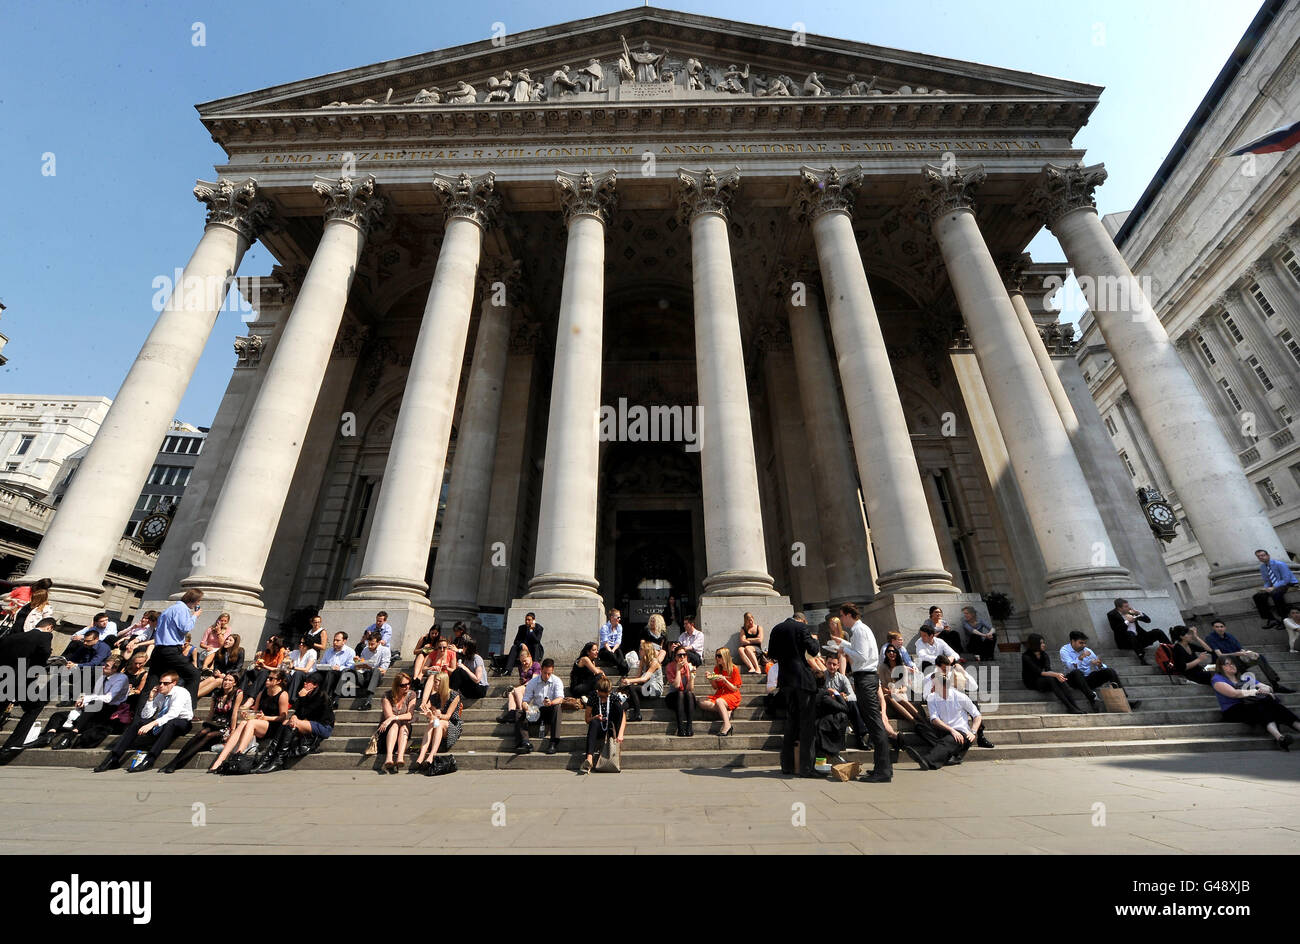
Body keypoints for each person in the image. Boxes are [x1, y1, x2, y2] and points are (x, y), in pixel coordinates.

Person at [94, 671, 194, 773]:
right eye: (160, 683)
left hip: (182, 723)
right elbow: (146, 715)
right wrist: (151, 699)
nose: (161, 685)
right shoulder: (160, 694)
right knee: (139, 722)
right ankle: (113, 758)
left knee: (171, 723)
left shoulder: (181, 693)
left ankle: (150, 760)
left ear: (174, 683)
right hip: (163, 723)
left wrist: (152, 724)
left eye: (165, 683)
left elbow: (173, 714)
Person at [837, 601, 893, 783]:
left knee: (875, 724)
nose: (841, 621)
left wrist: (844, 649)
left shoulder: (859, 631)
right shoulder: (861, 630)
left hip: (866, 678)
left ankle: (883, 771)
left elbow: (860, 656)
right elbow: (862, 652)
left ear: (848, 615)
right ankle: (882, 767)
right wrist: (845, 643)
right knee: (872, 722)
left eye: (842, 616)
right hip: (867, 677)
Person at [903, 656, 982, 770]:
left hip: (961, 733)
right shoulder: (932, 697)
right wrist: (951, 730)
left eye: (935, 685)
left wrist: (973, 732)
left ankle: (927, 760)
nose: (933, 687)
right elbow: (934, 719)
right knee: (921, 727)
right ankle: (951, 755)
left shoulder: (959, 696)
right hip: (945, 729)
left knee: (950, 740)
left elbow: (977, 715)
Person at [209, 668, 289, 773]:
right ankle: (219, 761)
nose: (267, 680)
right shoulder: (262, 693)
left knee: (251, 723)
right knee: (243, 722)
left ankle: (239, 754)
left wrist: (266, 717)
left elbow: (283, 717)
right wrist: (248, 715)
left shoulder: (283, 695)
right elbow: (255, 711)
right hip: (259, 723)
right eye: (267, 678)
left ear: (278, 681)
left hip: (273, 725)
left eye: (271, 679)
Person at [1211, 655, 1300, 749]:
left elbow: (1267, 687)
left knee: (1268, 705)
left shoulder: (1243, 677)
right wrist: (1254, 692)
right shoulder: (1217, 679)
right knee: (1265, 705)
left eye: (1233, 663)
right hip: (1233, 709)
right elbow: (1234, 694)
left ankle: (1280, 737)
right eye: (1227, 664)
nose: (1232, 666)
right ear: (1220, 667)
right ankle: (1280, 736)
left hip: (1253, 705)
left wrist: (1265, 689)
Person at [769, 612, 820, 777]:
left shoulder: (777, 628)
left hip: (786, 680)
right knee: (806, 724)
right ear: (803, 620)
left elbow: (772, 654)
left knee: (791, 723)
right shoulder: (801, 627)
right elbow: (813, 650)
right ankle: (806, 768)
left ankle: (787, 765)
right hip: (803, 680)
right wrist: (814, 639)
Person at [252, 671, 334, 773]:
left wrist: (302, 698)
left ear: (315, 685)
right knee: (286, 722)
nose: (305, 683)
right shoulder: (307, 694)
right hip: (307, 723)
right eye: (305, 681)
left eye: (308, 682)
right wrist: (294, 716)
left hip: (323, 726)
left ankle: (279, 759)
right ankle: (267, 757)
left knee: (292, 724)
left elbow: (305, 713)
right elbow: (298, 712)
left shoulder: (322, 696)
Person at [161, 673, 241, 772]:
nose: (226, 682)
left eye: (230, 680)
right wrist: (207, 724)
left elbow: (234, 713)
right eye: (225, 680)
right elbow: (211, 712)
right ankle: (173, 762)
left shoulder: (238, 693)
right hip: (215, 723)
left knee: (208, 735)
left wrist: (232, 730)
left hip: (226, 726)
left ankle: (175, 764)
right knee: (201, 733)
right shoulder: (217, 693)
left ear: (235, 683)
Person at [0, 618, 56, 755]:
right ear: (49, 627)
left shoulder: (13, 637)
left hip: (3, 676)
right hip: (23, 679)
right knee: (35, 706)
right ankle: (12, 743)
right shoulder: (45, 635)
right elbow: (44, 652)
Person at [1059, 632, 1142, 712]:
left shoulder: (1088, 650)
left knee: (1110, 671)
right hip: (1073, 680)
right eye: (1081, 643)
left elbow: (1099, 665)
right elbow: (1070, 668)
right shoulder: (1065, 650)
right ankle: (1092, 698)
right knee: (1077, 672)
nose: (1083, 645)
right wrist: (1080, 658)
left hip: (1087, 679)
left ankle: (1124, 699)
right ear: (1073, 641)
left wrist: (1100, 665)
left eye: (1085, 643)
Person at [147, 588, 204, 705]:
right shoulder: (182, 609)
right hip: (171, 650)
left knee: (152, 681)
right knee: (194, 675)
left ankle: (141, 716)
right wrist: (195, 616)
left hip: (159, 649)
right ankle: (186, 709)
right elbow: (185, 628)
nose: (198, 604)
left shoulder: (169, 609)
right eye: (198, 601)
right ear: (194, 600)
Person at [1202, 619, 1293, 692]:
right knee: (1233, 658)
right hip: (1222, 665)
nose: (1219, 628)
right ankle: (1249, 684)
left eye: (1221, 626)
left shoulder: (1229, 636)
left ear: (1225, 627)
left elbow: (1241, 649)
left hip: (1237, 662)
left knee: (1259, 657)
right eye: (1217, 627)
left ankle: (1275, 684)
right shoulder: (1210, 638)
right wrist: (1237, 654)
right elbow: (1220, 655)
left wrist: (1251, 653)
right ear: (1213, 628)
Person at [1021, 633, 1086, 713]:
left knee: (1058, 680)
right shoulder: (1026, 656)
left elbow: (1048, 669)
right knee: (1052, 678)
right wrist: (1056, 674)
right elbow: (1039, 672)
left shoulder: (1044, 655)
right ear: (1035, 644)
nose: (1044, 645)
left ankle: (1075, 707)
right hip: (1032, 681)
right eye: (1041, 643)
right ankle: (1069, 707)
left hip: (1044, 679)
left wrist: (1058, 676)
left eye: (1043, 643)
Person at [515, 658, 563, 755]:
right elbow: (525, 700)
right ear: (541, 670)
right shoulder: (533, 682)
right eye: (545, 673)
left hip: (551, 711)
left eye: (549, 673)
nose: (546, 676)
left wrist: (551, 703)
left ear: (553, 670)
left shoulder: (557, 681)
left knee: (558, 707)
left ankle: (553, 742)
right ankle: (525, 743)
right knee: (519, 713)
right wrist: (526, 706)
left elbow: (560, 698)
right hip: (537, 711)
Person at [581, 676, 626, 773]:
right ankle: (589, 758)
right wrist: (595, 717)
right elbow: (587, 719)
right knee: (593, 722)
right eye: (601, 696)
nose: (603, 698)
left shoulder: (614, 697)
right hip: (598, 726)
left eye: (606, 696)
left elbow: (623, 716)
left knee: (619, 707)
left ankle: (614, 737)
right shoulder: (593, 696)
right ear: (598, 691)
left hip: (612, 727)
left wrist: (620, 734)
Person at [1106, 598, 1170, 665]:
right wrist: (1127, 621)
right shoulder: (1112, 614)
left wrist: (1138, 613)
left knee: (1158, 632)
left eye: (1128, 605)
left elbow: (1148, 620)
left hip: (1140, 639)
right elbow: (1116, 630)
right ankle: (1142, 659)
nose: (1128, 608)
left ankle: (1171, 650)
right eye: (1126, 607)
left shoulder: (1130, 611)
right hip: (1126, 642)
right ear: (1119, 608)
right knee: (1131, 634)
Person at [376, 672, 416, 772]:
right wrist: (392, 719)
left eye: (408, 684)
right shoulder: (387, 696)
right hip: (387, 730)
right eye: (403, 685)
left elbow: (409, 715)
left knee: (402, 725)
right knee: (395, 724)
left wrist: (394, 718)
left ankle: (400, 757)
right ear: (397, 686)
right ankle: (389, 757)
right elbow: (389, 716)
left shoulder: (411, 695)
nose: (407, 687)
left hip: (404, 729)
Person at [698, 647, 742, 736]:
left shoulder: (734, 669)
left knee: (719, 701)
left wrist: (725, 680)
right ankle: (726, 710)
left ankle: (727, 725)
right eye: (716, 656)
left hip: (731, 694)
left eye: (719, 656)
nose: (717, 658)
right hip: (720, 694)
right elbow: (715, 687)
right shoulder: (717, 669)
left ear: (725, 656)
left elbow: (735, 688)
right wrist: (711, 679)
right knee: (701, 702)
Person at [1253, 548, 1298, 629]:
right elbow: (1267, 581)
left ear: (1268, 555)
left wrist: (1273, 587)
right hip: (1274, 586)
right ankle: (1271, 619)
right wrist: (1266, 588)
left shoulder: (1280, 564)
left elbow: (1286, 579)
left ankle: (1284, 618)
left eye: (1263, 555)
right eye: (1259, 557)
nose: (1261, 557)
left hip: (1289, 583)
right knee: (1258, 596)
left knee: (1276, 593)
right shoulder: (1263, 567)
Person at [619, 639, 662, 722]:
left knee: (632, 688)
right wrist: (628, 684)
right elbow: (638, 677)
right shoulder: (643, 661)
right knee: (630, 690)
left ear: (647, 650)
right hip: (646, 687)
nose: (639, 651)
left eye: (641, 649)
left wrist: (629, 681)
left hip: (654, 689)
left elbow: (644, 678)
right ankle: (620, 710)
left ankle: (637, 714)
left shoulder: (654, 662)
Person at [499, 643, 542, 724]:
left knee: (517, 690)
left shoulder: (536, 665)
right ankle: (511, 714)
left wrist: (522, 685)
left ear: (530, 657)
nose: (524, 663)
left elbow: (534, 680)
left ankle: (523, 712)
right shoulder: (520, 667)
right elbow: (522, 680)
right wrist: (522, 681)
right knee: (511, 693)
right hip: (524, 686)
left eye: (525, 661)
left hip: (534, 686)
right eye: (522, 662)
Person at [349, 631, 392, 711]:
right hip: (365, 675)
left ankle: (368, 701)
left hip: (376, 676)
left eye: (372, 644)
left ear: (379, 642)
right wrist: (357, 662)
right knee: (348, 671)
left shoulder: (385, 650)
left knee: (375, 671)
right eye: (368, 643)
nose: (370, 646)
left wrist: (369, 668)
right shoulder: (365, 650)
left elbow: (383, 669)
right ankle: (337, 698)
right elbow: (360, 667)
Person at [880, 644, 922, 724]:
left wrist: (897, 691)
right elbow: (882, 686)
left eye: (893, 651)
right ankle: (916, 721)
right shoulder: (883, 667)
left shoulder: (902, 667)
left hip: (900, 694)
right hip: (887, 694)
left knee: (895, 696)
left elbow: (905, 687)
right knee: (890, 697)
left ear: (897, 653)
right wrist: (890, 692)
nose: (891, 653)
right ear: (886, 654)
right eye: (889, 651)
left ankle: (918, 720)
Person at [239, 635, 287, 704]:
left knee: (264, 672)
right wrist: (257, 661)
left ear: (275, 644)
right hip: (263, 672)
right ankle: (240, 693)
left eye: (270, 641)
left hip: (272, 674)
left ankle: (251, 699)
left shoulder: (281, 651)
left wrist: (265, 666)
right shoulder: (266, 652)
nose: (267, 642)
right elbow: (261, 665)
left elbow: (279, 668)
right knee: (248, 671)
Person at [198, 632, 244, 699]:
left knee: (218, 681)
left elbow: (238, 667)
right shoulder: (221, 651)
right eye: (227, 639)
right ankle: (190, 692)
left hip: (232, 677)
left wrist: (226, 675)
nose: (227, 641)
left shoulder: (240, 651)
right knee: (211, 679)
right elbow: (216, 665)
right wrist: (217, 671)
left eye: (230, 640)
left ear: (235, 643)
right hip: (220, 675)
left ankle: (194, 696)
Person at [664, 644, 697, 737]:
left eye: (684, 655)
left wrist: (691, 676)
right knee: (680, 693)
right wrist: (678, 670)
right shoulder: (670, 667)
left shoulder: (689, 667)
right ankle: (680, 727)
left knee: (689, 694)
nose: (682, 657)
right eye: (679, 655)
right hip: (673, 697)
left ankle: (689, 727)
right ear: (675, 657)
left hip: (686, 697)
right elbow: (677, 686)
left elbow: (690, 689)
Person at [317, 631, 356, 702]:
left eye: (337, 640)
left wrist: (339, 668)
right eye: (334, 640)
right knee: (314, 675)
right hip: (328, 672)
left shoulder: (350, 651)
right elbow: (322, 663)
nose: (335, 642)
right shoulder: (329, 651)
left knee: (331, 673)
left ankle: (325, 697)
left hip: (341, 674)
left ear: (344, 641)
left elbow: (351, 666)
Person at [281, 634, 318, 699]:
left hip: (307, 675)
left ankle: (291, 699)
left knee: (298, 673)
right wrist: (286, 655)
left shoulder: (312, 652)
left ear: (308, 644)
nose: (300, 644)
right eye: (300, 643)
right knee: (284, 674)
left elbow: (306, 669)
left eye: (303, 643)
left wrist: (293, 667)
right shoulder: (295, 652)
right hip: (294, 675)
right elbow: (286, 663)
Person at [597, 609, 627, 673]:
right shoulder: (604, 627)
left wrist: (613, 650)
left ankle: (623, 670)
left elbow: (618, 641)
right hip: (605, 649)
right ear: (612, 617)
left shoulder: (619, 627)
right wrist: (611, 652)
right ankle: (624, 668)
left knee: (619, 653)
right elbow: (605, 643)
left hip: (614, 648)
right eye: (618, 617)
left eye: (620, 617)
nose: (619, 619)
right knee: (612, 655)